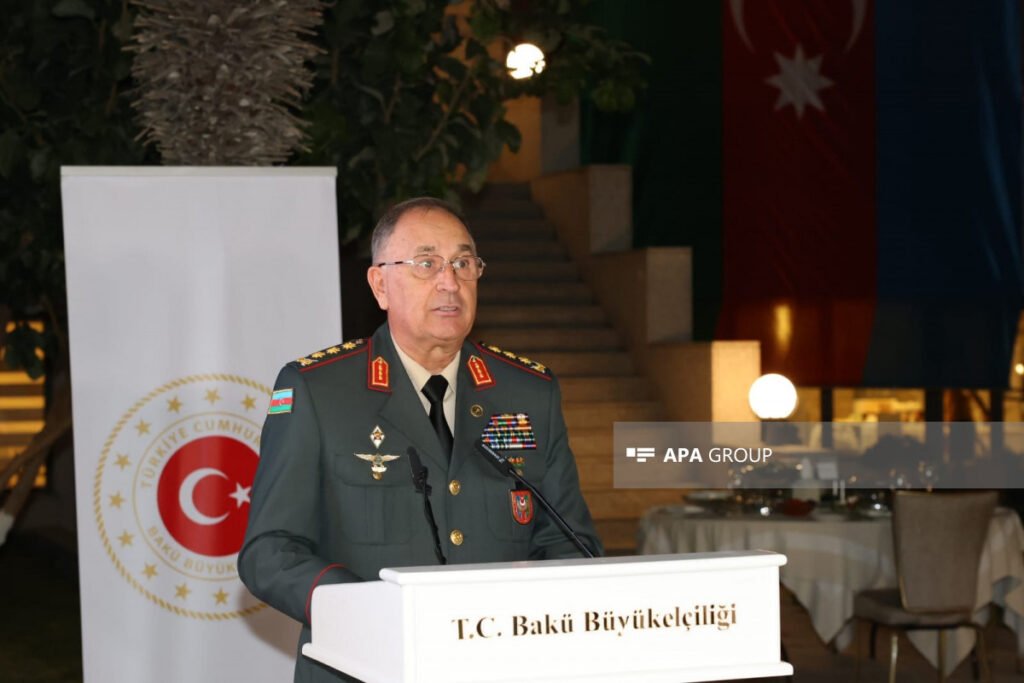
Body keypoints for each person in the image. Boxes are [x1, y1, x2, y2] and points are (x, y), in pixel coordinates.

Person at [238, 197, 602, 682]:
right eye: (427, 264)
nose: (449, 282)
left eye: (464, 264)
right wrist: (364, 609)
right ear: (380, 285)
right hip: (364, 668)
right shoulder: (320, 391)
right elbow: (269, 551)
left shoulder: (528, 393)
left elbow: (569, 543)